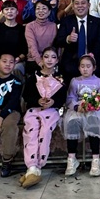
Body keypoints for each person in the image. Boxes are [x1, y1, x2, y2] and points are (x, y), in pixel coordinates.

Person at [20, 47, 65, 188]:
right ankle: (31, 166)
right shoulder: (33, 77)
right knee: (31, 131)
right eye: (46, 56)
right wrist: (37, 101)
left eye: (53, 57)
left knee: (45, 131)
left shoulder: (60, 78)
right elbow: (27, 95)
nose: (49, 60)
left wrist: (53, 102)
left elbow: (63, 98)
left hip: (51, 111)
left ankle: (37, 167)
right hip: (34, 109)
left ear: (57, 60)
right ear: (42, 59)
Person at [63, 55, 100, 177]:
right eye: (82, 66)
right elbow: (70, 98)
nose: (85, 69)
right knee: (72, 121)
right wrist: (76, 107)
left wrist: (93, 105)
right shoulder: (75, 81)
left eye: (88, 66)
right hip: (78, 109)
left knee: (93, 121)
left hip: (94, 109)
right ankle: (71, 158)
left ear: (94, 68)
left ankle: (95, 159)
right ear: (79, 68)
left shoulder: (99, 81)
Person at [55, 0, 100, 81]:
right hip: (72, 60)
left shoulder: (97, 22)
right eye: (77, 3)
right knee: (67, 71)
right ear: (72, 6)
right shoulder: (66, 21)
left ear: (88, 5)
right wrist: (68, 39)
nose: (80, 6)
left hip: (92, 58)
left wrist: (91, 56)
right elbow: (58, 41)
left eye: (83, 3)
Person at [0, 0, 28, 75]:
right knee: (1, 69)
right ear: (2, 13)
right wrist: (2, 60)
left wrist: (18, 59)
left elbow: (25, 49)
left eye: (12, 9)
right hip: (0, 60)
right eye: (6, 9)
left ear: (17, 12)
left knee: (16, 69)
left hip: (17, 61)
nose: (9, 11)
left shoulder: (23, 29)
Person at [25, 0, 58, 72]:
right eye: (38, 8)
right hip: (34, 59)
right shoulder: (30, 26)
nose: (41, 11)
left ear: (49, 12)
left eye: (44, 8)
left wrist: (52, 60)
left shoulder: (53, 26)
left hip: (50, 59)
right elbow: (32, 46)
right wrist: (39, 61)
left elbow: (56, 46)